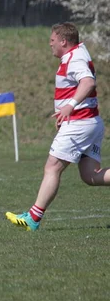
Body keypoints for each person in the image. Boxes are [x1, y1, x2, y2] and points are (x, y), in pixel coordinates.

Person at [6, 22, 109, 231]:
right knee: (90, 175)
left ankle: (33, 218)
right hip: (89, 123)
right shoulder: (76, 54)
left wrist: (69, 106)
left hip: (80, 124)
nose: (49, 44)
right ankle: (33, 216)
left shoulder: (75, 58)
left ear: (63, 41)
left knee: (52, 167)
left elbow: (88, 83)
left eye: (52, 40)